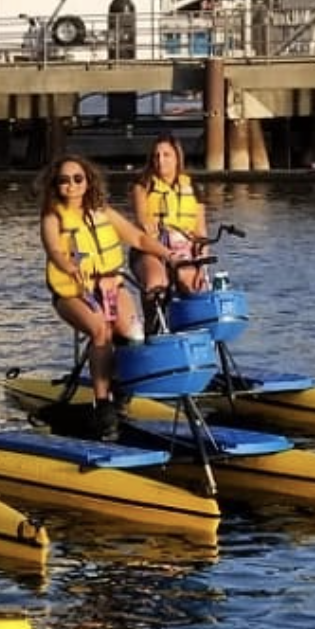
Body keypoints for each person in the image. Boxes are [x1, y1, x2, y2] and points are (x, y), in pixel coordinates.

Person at [41, 154, 182, 439]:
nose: (72, 185)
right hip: (73, 290)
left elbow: (139, 239)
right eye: (64, 180)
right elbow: (54, 250)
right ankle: (102, 404)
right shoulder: (52, 217)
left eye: (78, 179)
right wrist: (70, 266)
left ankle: (121, 396)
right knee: (100, 330)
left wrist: (169, 255)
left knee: (133, 336)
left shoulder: (103, 212)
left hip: (109, 285)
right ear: (56, 185)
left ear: (87, 181)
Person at [131, 133, 209, 302]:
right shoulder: (143, 186)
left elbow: (200, 231)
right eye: (156, 156)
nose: (160, 160)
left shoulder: (193, 188)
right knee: (156, 283)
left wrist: (201, 260)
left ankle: (190, 320)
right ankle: (154, 325)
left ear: (177, 158)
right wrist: (150, 227)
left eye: (166, 155)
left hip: (183, 248)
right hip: (150, 249)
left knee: (193, 286)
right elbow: (142, 221)